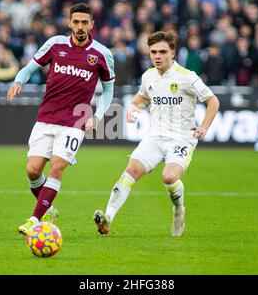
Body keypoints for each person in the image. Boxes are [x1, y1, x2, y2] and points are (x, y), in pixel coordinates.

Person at [93, 31, 219, 237]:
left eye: (162, 52)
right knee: (131, 170)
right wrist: (133, 106)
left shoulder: (187, 77)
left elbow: (213, 101)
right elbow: (142, 97)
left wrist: (204, 126)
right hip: (155, 136)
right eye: (153, 52)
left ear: (173, 53)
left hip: (181, 138)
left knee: (169, 178)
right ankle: (107, 218)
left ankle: (179, 210)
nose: (157, 56)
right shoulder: (148, 75)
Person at [6, 3, 115, 235]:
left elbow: (108, 90)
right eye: (76, 22)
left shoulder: (102, 54)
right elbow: (30, 68)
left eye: (85, 22)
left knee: (57, 166)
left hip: (75, 121)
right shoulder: (55, 44)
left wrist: (97, 116)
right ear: (69, 23)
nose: (80, 26)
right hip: (46, 117)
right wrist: (17, 82)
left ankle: (34, 221)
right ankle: (49, 209)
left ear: (92, 24)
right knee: (33, 171)